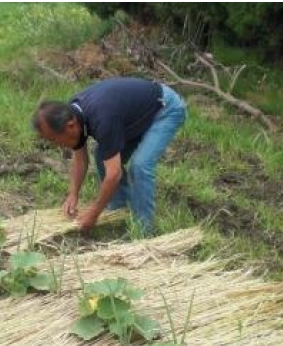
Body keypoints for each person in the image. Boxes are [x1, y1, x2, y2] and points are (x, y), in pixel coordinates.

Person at [32, 76, 186, 235]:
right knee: (101, 155)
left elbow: (114, 174)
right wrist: (73, 194)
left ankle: (144, 230)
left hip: (164, 109)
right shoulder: (74, 112)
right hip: (134, 116)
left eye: (54, 139)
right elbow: (80, 159)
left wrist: (94, 213)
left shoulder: (102, 118)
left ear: (70, 126)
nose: (56, 144)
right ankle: (120, 211)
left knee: (140, 165)